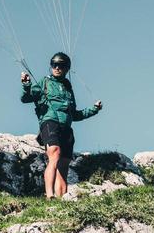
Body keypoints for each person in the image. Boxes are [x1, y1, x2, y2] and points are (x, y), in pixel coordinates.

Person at [20, 52, 103, 199]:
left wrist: (94, 109)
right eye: (54, 64)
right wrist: (26, 85)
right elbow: (26, 98)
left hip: (66, 127)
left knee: (63, 165)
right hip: (49, 122)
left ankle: (61, 199)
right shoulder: (44, 82)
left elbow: (75, 114)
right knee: (55, 154)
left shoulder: (67, 88)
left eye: (61, 65)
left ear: (67, 68)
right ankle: (49, 195)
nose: (57, 67)